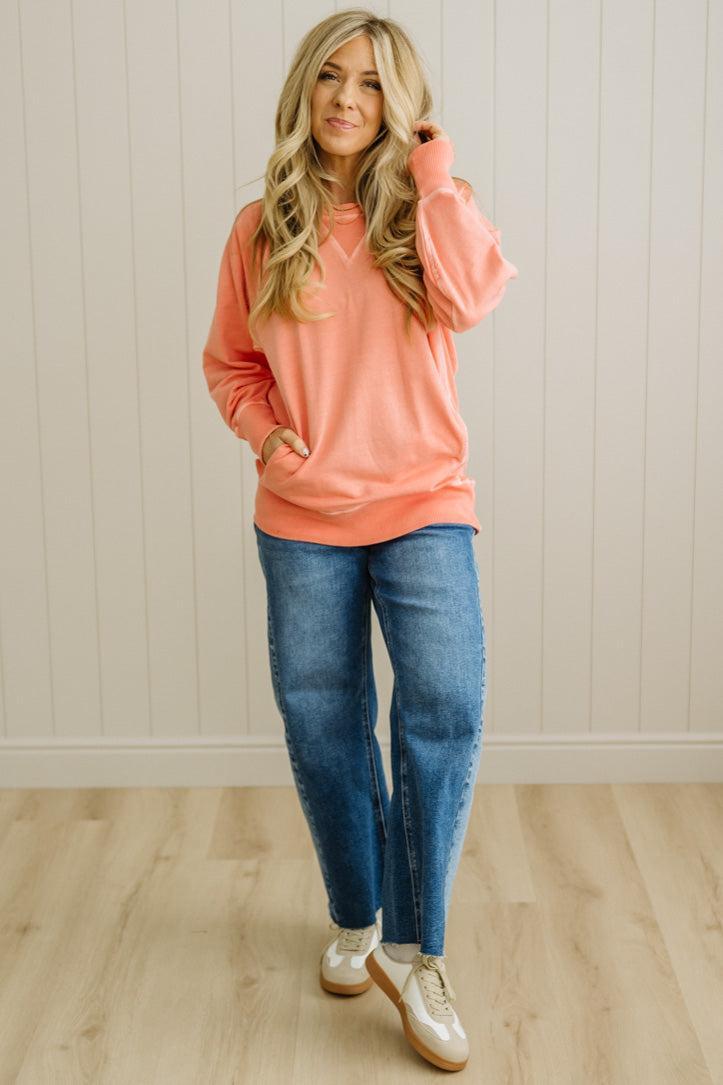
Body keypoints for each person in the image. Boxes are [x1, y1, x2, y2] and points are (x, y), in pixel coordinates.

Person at [202, 8, 518, 1073]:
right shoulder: (260, 227)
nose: (348, 98)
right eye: (332, 77)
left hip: (425, 498)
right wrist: (267, 436)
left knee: (447, 701)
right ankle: (358, 915)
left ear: (403, 105)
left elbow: (472, 299)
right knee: (324, 720)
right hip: (301, 516)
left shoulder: (435, 210)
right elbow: (231, 366)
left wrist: (433, 178)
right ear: (306, 90)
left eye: (374, 83)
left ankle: (421, 950)